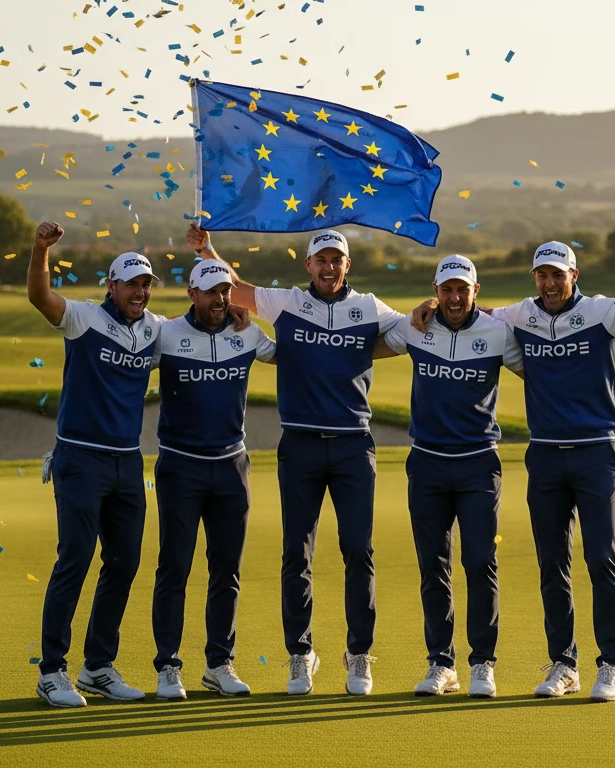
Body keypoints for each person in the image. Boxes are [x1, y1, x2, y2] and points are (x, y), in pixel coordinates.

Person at [413, 238, 615, 702]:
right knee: (552, 564)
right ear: (534, 278)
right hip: (545, 456)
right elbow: (466, 309)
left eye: (558, 275)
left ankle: (610, 665)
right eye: (542, 275)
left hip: (596, 452)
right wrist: (431, 305)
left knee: (602, 558)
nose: (550, 282)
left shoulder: (601, 312)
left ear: (573, 276)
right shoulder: (519, 316)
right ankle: (564, 664)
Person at [27, 220, 249, 707]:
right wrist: (40, 250)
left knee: (123, 564)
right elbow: (41, 298)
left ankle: (97, 666)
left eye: (147, 284)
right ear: (112, 285)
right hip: (81, 458)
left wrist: (232, 314)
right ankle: (51, 670)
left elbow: (203, 320)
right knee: (75, 560)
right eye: (131, 283)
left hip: (128, 463)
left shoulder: (156, 331)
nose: (140, 292)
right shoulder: (83, 318)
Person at [187, 224, 404, 696]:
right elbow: (237, 289)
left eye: (337, 260)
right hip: (301, 444)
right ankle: (300, 653)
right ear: (308, 265)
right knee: (296, 553)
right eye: (321, 260)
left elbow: (414, 330)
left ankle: (359, 654)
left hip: (353, 445)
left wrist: (375, 344)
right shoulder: (286, 302)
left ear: (347, 266)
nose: (329, 267)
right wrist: (207, 250)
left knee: (358, 551)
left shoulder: (369, 308)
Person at [375, 255, 523, 698]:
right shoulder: (417, 327)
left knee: (480, 561)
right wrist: (413, 312)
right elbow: (366, 345)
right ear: (436, 291)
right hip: (427, 463)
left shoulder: (499, 333)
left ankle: (482, 663)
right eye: (446, 289)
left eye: (462, 289)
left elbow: (542, 373)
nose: (454, 297)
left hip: (479, 462)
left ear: (475, 291)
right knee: (433, 565)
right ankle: (442, 663)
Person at [150, 259, 276, 701]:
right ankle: (168, 665)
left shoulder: (246, 333)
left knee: (226, 571)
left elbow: (291, 355)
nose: (220, 299)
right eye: (211, 292)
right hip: (180, 466)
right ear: (192, 295)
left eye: (225, 291)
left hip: (231, 467)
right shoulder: (165, 334)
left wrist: (252, 320)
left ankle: (219, 663)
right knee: (175, 568)